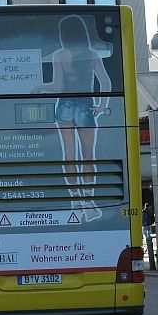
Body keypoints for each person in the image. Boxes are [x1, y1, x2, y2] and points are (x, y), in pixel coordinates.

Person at [34, 15, 112, 221]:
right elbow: (105, 82)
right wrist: (102, 106)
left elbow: (57, 87)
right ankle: (88, 200)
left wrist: (40, 86)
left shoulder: (59, 55)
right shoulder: (92, 54)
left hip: (64, 106)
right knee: (88, 156)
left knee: (69, 155)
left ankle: (75, 199)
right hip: (86, 107)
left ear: (64, 35)